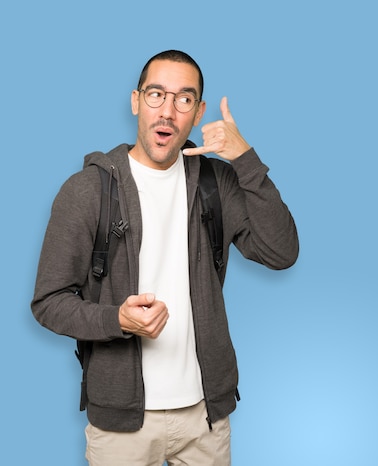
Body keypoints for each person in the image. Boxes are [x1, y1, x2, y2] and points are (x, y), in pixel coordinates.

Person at [31, 50, 299, 465]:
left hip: (205, 419)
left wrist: (245, 160)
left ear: (199, 112)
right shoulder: (86, 191)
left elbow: (281, 252)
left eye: (184, 99)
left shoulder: (218, 182)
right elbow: (48, 303)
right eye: (156, 95)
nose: (168, 111)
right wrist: (116, 319)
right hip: (122, 427)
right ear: (136, 101)